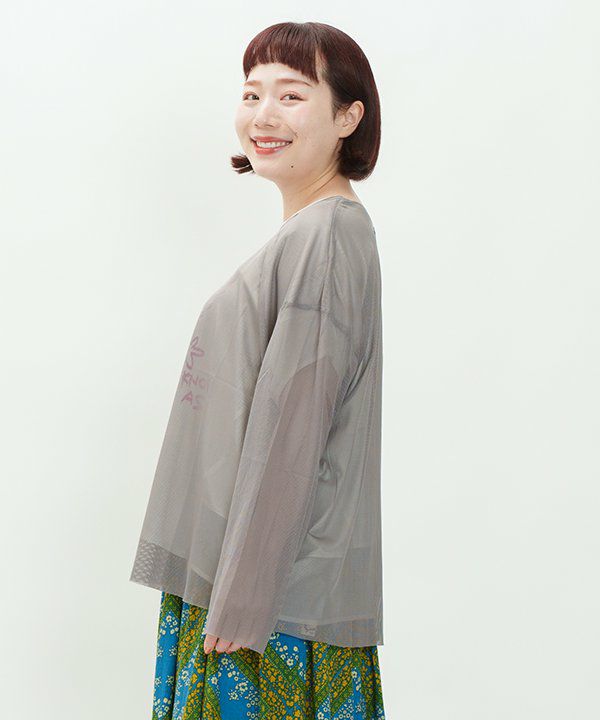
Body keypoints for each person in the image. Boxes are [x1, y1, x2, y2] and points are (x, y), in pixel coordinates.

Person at [130, 20, 386, 719]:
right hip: (252, 584)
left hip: (269, 608)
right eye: (252, 94)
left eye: (292, 96)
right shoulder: (316, 232)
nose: (263, 115)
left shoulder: (325, 236)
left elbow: (291, 434)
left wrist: (244, 601)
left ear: (348, 117)